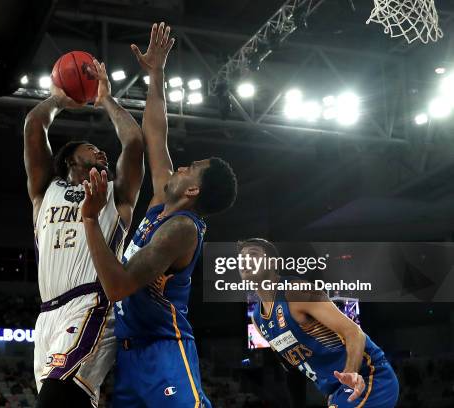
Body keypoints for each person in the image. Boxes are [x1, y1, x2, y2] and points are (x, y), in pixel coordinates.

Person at [80, 22, 237, 407]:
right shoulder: (161, 203)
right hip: (130, 356)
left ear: (194, 190)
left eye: (190, 169)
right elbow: (155, 134)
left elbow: (118, 285)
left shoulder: (181, 228)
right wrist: (155, 75)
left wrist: (89, 219)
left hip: (165, 351)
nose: (180, 167)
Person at [24, 58, 144, 407]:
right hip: (47, 315)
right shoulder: (44, 190)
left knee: (56, 399)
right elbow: (34, 124)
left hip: (91, 303)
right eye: (91, 148)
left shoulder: (116, 194)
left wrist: (106, 99)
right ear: (69, 161)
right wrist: (58, 100)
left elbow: (134, 141)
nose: (101, 150)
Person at [238, 238, 400, 407]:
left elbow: (354, 332)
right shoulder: (257, 319)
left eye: (253, 255)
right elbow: (295, 367)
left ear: (272, 263)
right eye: (241, 258)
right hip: (339, 390)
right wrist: (331, 393)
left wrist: (350, 374)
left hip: (369, 376)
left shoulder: (296, 292)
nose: (245, 261)